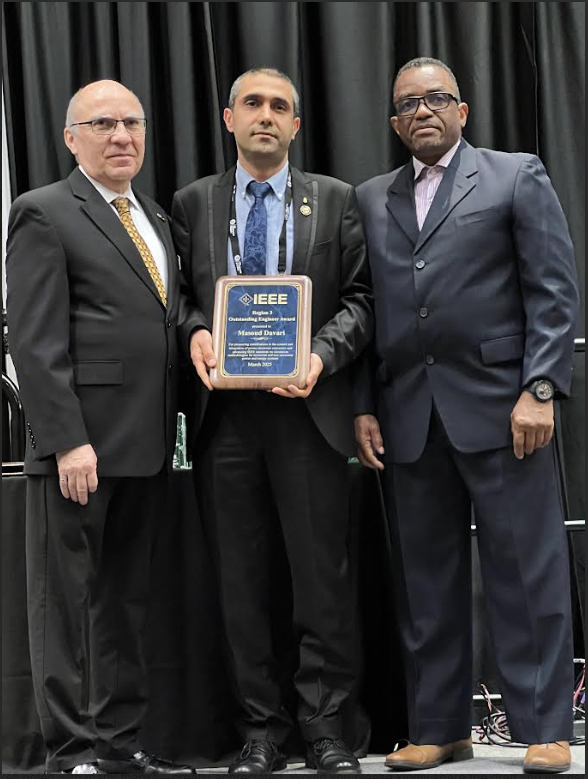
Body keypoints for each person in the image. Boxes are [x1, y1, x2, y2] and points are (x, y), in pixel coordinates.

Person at [354, 57, 579, 774]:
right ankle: (439, 724)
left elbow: (553, 289)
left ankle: (545, 724)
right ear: (394, 122)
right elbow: (364, 309)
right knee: (426, 583)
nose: (422, 110)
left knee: (523, 571)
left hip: (504, 411)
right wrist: (363, 406)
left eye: (436, 98)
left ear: (462, 109)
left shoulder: (516, 176)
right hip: (409, 417)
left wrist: (540, 387)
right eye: (408, 103)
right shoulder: (368, 197)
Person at [171, 68, 373, 774]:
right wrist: (195, 329)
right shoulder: (193, 203)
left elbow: (361, 300)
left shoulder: (337, 200)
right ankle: (259, 729)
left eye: (279, 106)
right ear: (229, 119)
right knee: (240, 582)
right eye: (252, 104)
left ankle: (324, 729)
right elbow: (176, 296)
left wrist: (320, 355)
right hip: (226, 419)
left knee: (321, 581)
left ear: (296, 125)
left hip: (309, 414)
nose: (265, 116)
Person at [6, 80, 196, 776]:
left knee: (124, 605)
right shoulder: (44, 212)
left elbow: (162, 320)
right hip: (79, 451)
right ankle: (70, 749)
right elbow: (34, 340)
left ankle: (118, 743)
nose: (121, 135)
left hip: (146, 449)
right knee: (66, 607)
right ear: (71, 138)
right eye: (103, 123)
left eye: (132, 122)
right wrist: (65, 439)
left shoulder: (151, 213)